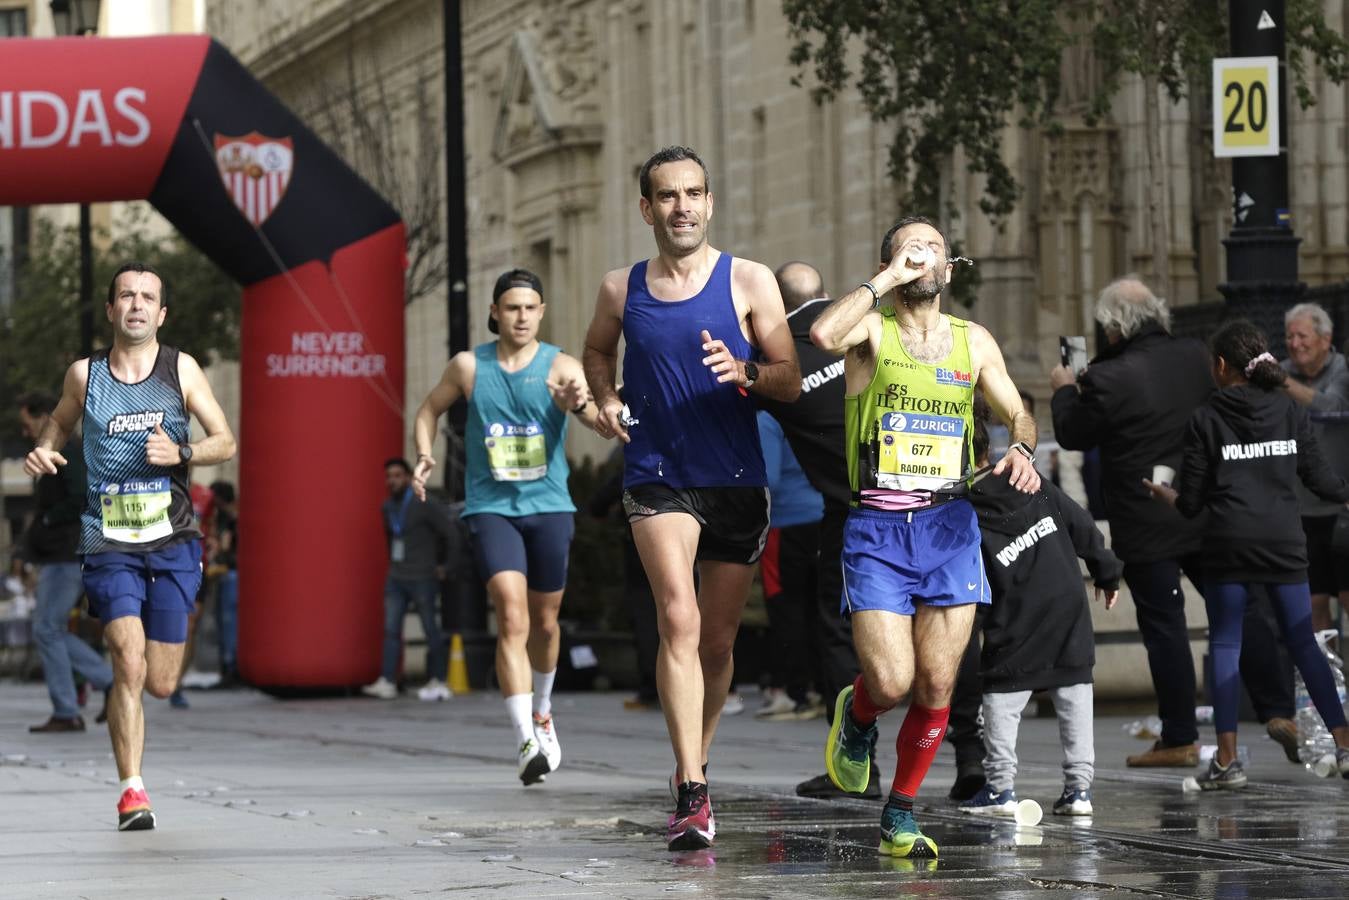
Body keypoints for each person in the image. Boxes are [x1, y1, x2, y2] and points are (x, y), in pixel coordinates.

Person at [582, 146, 800, 851]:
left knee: (716, 640)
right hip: (656, 474)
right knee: (677, 618)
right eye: (668, 196)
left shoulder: (749, 280)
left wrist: (745, 371)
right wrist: (607, 397)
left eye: (694, 193)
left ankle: (695, 762)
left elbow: (790, 380)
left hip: (734, 477)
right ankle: (689, 788)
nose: (682, 206)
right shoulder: (621, 288)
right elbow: (594, 352)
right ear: (646, 209)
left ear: (708, 203)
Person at [809, 215, 1040, 860]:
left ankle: (901, 812)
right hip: (878, 528)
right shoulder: (871, 333)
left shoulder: (974, 341)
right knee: (891, 682)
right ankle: (856, 718)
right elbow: (822, 332)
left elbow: (1018, 408)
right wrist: (887, 277)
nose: (924, 256)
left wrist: (1022, 446)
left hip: (950, 527)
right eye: (911, 249)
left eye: (934, 248)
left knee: (937, 686)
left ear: (950, 267)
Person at [23, 262, 236, 831]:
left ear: (161, 314)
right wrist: (45, 449)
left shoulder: (181, 369)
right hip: (107, 537)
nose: (137, 304)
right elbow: (59, 426)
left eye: (148, 297)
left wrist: (184, 453)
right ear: (113, 310)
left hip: (172, 537)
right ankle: (131, 792)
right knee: (128, 657)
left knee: (161, 681)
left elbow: (226, 440)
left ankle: (135, 757)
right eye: (126, 295)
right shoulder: (83, 375)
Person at [1050, 277, 1296, 767]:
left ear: (1115, 327)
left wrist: (1064, 390)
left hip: (1146, 521)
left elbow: (1074, 433)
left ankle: (1181, 736)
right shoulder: (1197, 357)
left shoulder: (1107, 376)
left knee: (1165, 626)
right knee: (1240, 610)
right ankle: (1278, 709)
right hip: (1207, 509)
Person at [411, 268, 604, 785]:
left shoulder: (560, 364)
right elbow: (428, 409)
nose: (520, 316)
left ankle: (542, 712)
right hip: (491, 508)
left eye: (529, 308)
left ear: (541, 313)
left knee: (544, 623)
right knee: (512, 618)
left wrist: (577, 404)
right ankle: (523, 740)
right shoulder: (470, 366)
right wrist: (425, 455)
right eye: (511, 307)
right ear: (495, 312)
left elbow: (592, 414)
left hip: (549, 507)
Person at [1145, 320, 1349, 787]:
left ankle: (1227, 761)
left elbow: (1192, 503)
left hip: (1228, 544)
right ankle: (1343, 743)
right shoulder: (1289, 411)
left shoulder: (1206, 418)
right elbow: (1320, 479)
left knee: (1226, 645)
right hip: (1284, 541)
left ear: (1221, 366)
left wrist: (1165, 494)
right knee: (1302, 643)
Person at [961, 400, 1121, 818]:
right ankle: (1080, 790)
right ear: (988, 451)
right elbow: (1082, 523)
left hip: (1015, 622)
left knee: (1001, 700)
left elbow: (969, 579)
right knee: (1075, 694)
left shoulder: (963, 512)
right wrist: (1107, 574)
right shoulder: (1031, 480)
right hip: (1067, 610)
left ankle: (1000, 788)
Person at [15, 391, 113, 733]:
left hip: (65, 554)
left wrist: (46, 521)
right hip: (61, 554)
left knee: (47, 629)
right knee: (49, 629)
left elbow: (80, 497)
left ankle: (72, 705)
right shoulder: (59, 453)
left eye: (29, 424)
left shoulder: (68, 452)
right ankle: (98, 686)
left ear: (45, 417)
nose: (27, 433)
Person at [1281, 302, 1349, 634]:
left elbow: (1331, 405)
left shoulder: (1342, 371)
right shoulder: (1282, 374)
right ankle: (1327, 683)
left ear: (1325, 338)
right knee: (1313, 602)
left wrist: (1283, 384)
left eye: (1302, 335)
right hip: (1302, 510)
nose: (1295, 343)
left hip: (1342, 508)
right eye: (1289, 336)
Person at [362, 458, 455, 702]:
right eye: (389, 476)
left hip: (423, 576)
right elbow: (389, 540)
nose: (392, 481)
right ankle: (388, 680)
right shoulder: (387, 508)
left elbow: (450, 532)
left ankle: (438, 678)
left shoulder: (424, 503)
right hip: (397, 576)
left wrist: (446, 566)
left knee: (429, 629)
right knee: (391, 630)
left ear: (408, 477)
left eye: (397, 476)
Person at [754, 410, 824, 721]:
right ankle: (824, 690)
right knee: (819, 609)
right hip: (824, 517)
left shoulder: (768, 419)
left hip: (785, 523)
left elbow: (768, 478)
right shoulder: (811, 412)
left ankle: (796, 694)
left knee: (785, 609)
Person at [208, 480, 240, 686]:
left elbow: (227, 546)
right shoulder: (221, 517)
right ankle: (227, 666)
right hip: (225, 572)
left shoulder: (231, 518)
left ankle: (230, 666)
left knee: (228, 621)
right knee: (224, 621)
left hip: (231, 573)